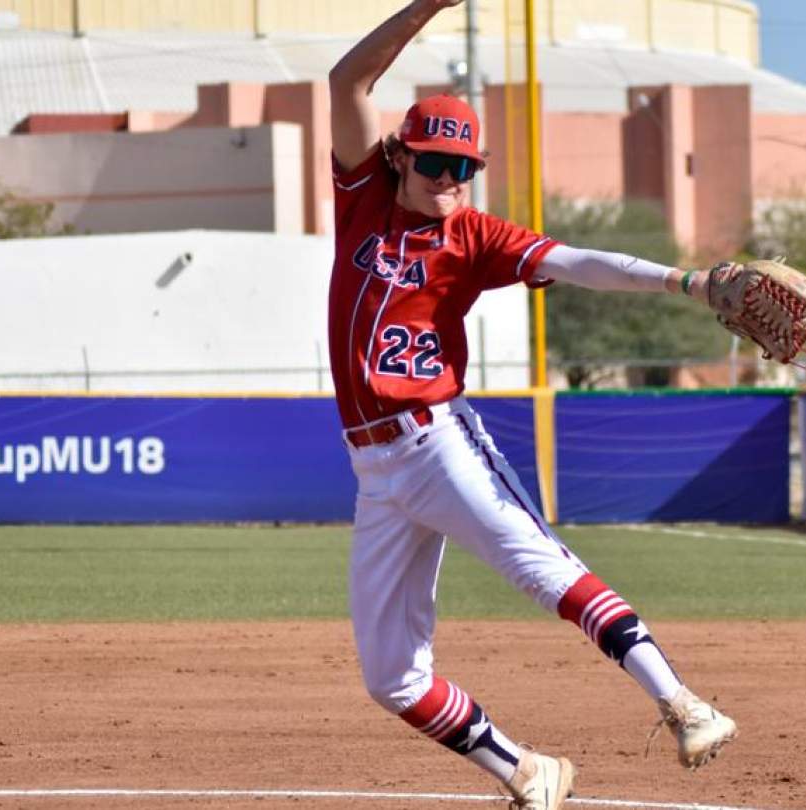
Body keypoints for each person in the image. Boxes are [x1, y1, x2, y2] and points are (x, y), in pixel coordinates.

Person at [325, 1, 737, 807]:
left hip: (436, 442)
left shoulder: (476, 237)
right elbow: (347, 78)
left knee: (539, 568)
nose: (450, 180)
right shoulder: (362, 198)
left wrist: (683, 282)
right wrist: (433, 5)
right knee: (391, 678)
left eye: (464, 168)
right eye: (436, 164)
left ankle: (684, 702)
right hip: (373, 469)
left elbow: (582, 261)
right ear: (400, 157)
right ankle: (525, 770)